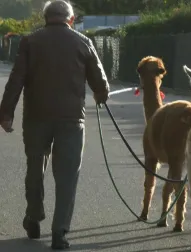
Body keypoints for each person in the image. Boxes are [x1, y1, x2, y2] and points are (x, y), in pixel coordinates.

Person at [0, 0, 110, 250]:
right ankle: (60, 233)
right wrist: (101, 96)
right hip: (72, 120)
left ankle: (33, 217)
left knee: (35, 167)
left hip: (36, 117)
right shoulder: (84, 42)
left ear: (45, 19)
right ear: (70, 20)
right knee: (67, 176)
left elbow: (16, 80)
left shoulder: (30, 42)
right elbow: (101, 86)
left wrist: (6, 113)